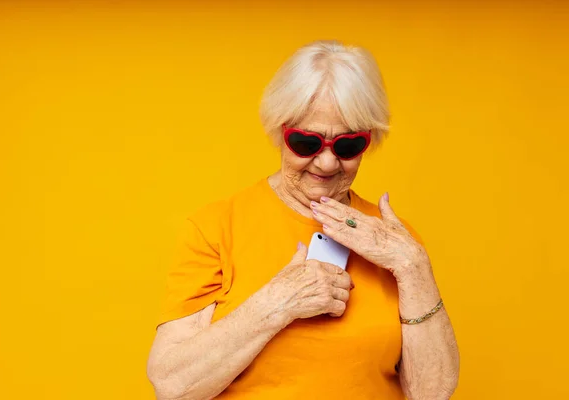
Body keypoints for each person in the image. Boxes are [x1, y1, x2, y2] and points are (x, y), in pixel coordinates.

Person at [147, 40, 459, 399]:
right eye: (307, 143)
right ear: (280, 132)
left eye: (347, 145)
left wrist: (413, 266)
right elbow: (173, 387)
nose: (326, 163)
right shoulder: (215, 228)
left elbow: (432, 394)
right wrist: (279, 302)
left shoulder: (394, 242)